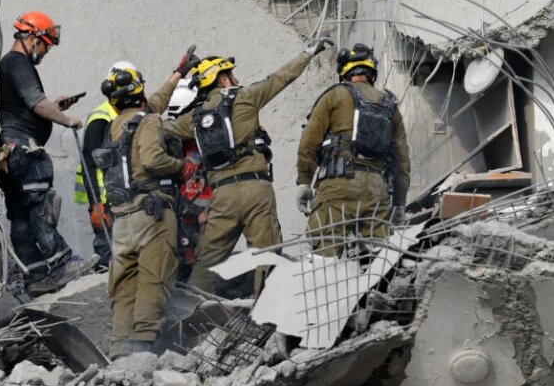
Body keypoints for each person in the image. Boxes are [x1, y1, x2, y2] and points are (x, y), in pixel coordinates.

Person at [165, 38, 333, 295]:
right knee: (266, 258)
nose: (235, 77)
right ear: (222, 80)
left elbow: (155, 129)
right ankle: (265, 317)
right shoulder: (246, 97)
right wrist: (307, 53)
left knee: (206, 263)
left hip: (222, 197)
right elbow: (280, 78)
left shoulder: (193, 118)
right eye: (230, 74)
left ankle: (189, 320)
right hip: (257, 190)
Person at [99, 54, 199, 359]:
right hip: (151, 215)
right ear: (139, 93)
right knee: (153, 281)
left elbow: (150, 107)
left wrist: (176, 74)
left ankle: (120, 350)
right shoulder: (150, 121)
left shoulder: (117, 124)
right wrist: (181, 168)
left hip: (122, 219)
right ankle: (142, 351)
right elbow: (155, 159)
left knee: (124, 286)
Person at [0, 11, 86, 296]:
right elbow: (36, 103)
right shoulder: (18, 63)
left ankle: (37, 278)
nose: (46, 51)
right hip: (24, 150)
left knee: (21, 218)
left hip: (9, 153)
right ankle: (62, 265)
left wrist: (56, 106)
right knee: (40, 209)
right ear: (32, 38)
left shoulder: (8, 65)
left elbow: (30, 104)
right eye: (45, 44)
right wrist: (65, 119)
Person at [296, 44, 410, 257]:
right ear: (371, 74)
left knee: (324, 259)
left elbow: (308, 142)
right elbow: (401, 159)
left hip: (338, 184)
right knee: (381, 263)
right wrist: (400, 203)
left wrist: (304, 181)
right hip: (377, 189)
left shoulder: (334, 95)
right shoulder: (389, 105)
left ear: (344, 73)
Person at [73, 61, 137, 270]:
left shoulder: (123, 113)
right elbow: (88, 162)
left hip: (118, 197)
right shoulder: (101, 118)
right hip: (104, 200)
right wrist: (96, 206)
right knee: (109, 255)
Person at [164, 81, 211, 282]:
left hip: (210, 211)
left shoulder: (206, 134)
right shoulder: (167, 141)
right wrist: (193, 212)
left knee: (210, 263)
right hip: (184, 215)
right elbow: (169, 186)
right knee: (186, 265)